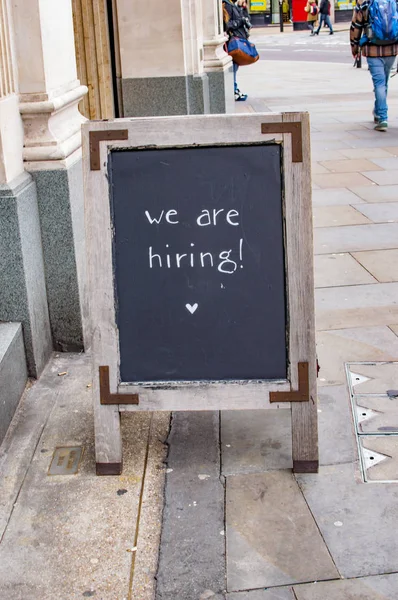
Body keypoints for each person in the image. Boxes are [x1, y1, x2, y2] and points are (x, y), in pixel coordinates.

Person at [350, 0, 398, 131]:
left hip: (372, 50)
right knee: (384, 82)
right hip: (392, 48)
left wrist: (354, 47)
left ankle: (382, 117)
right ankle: (378, 111)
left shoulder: (364, 3)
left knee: (379, 83)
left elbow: (356, 26)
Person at [223, 0, 252, 101]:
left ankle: (234, 89)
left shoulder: (232, 4)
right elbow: (226, 25)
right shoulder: (226, 4)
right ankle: (233, 90)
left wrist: (243, 8)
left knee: (235, 65)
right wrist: (240, 22)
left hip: (237, 39)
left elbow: (246, 19)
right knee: (233, 65)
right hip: (232, 41)